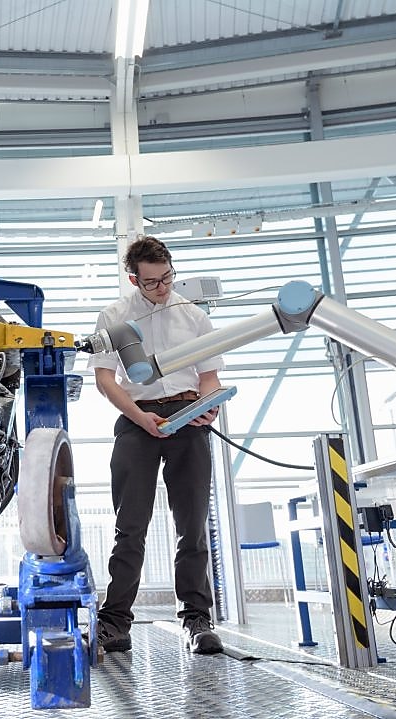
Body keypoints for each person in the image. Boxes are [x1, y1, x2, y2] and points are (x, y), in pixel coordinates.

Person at [87, 236, 225, 655]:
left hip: (188, 418)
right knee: (130, 527)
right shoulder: (113, 316)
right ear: (133, 278)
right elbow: (106, 379)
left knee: (193, 525)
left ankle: (197, 620)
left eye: (167, 277)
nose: (163, 287)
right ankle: (114, 623)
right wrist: (140, 417)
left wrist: (208, 406)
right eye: (152, 282)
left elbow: (209, 373)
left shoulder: (193, 315)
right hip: (137, 417)